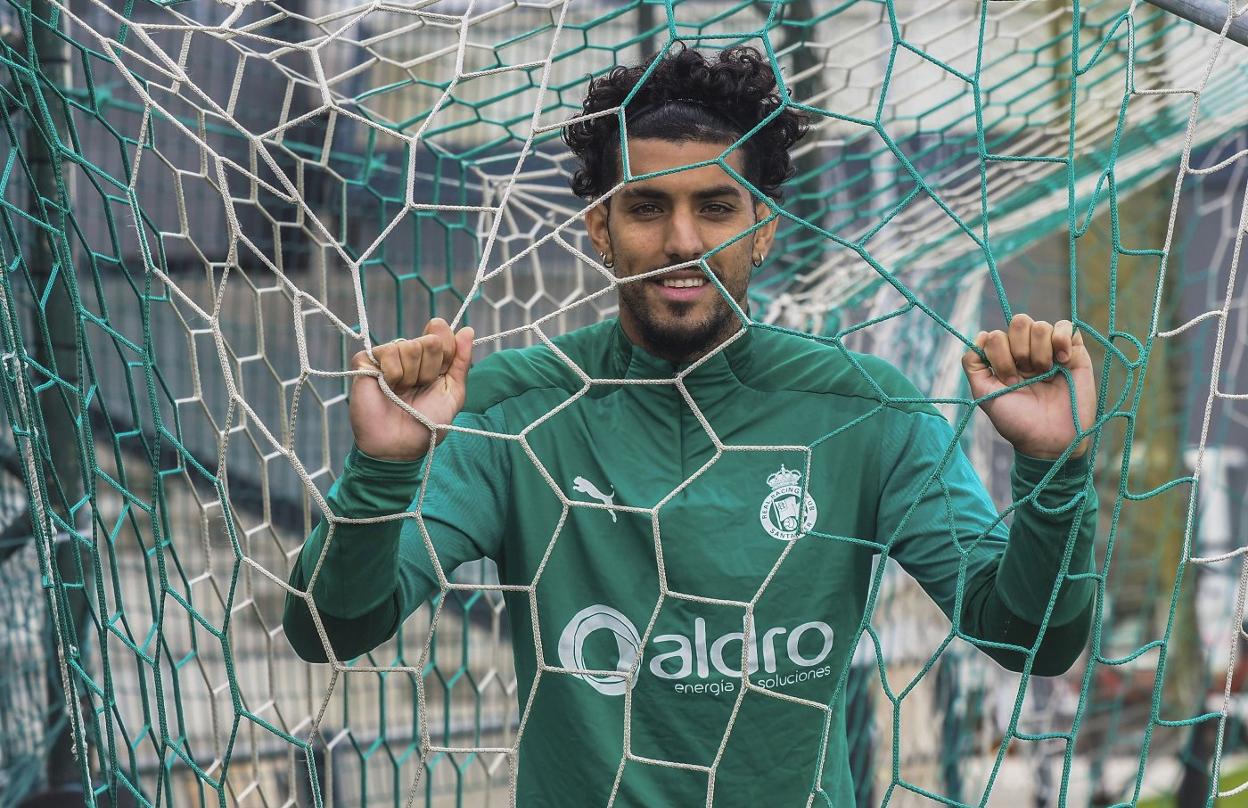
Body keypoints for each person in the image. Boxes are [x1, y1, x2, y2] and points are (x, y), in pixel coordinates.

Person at [283, 45, 1099, 807]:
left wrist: (1054, 468)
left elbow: (1031, 639)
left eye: (715, 207)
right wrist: (383, 469)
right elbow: (331, 629)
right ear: (600, 228)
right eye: (647, 207)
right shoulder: (510, 410)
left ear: (765, 226)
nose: (682, 241)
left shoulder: (865, 410)